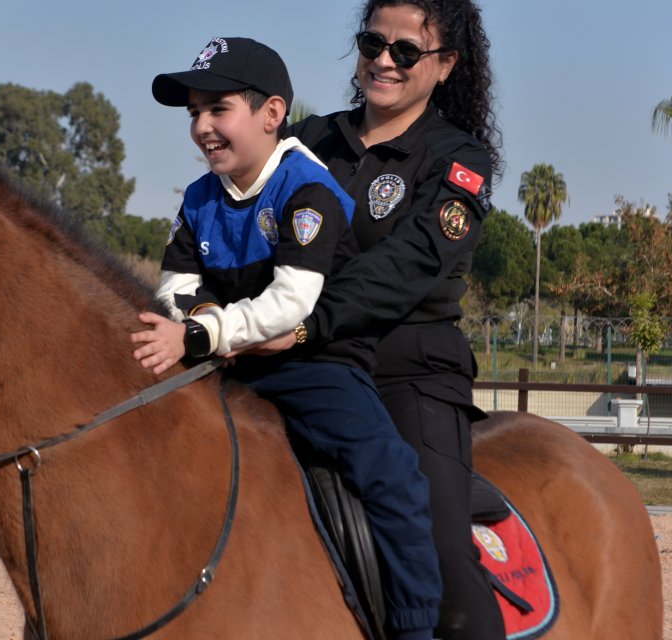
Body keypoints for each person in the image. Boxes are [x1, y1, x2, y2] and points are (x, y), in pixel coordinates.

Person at [130, 36, 441, 640]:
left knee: (391, 472)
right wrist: (203, 323)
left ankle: (414, 625)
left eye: (218, 110)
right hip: (225, 361)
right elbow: (174, 283)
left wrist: (199, 334)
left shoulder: (307, 188)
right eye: (194, 113)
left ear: (271, 114)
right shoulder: (199, 198)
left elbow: (290, 303)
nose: (201, 127)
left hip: (313, 364)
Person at [235, 2, 506, 638]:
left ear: (445, 67)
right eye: (372, 43)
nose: (384, 60)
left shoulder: (457, 159)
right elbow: (245, 226)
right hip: (294, 361)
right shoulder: (305, 140)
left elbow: (408, 268)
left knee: (438, 549)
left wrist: (300, 324)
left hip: (406, 372)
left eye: (406, 51)